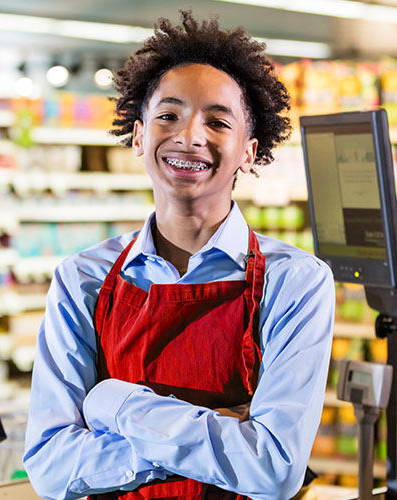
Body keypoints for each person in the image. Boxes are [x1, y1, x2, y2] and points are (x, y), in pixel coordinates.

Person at [22, 10, 335, 500]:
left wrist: (115, 403)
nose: (190, 135)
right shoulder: (82, 279)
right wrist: (219, 435)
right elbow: (50, 466)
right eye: (168, 115)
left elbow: (274, 470)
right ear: (139, 135)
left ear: (249, 152)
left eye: (217, 121)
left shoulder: (295, 281)